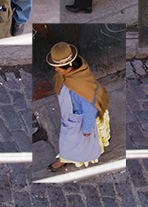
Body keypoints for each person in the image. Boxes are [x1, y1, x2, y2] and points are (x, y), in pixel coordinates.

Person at [46, 42, 110, 172]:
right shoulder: (79, 69)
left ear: (68, 67)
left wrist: (86, 129)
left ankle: (64, 158)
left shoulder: (78, 88)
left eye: (57, 67)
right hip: (73, 115)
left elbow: (89, 110)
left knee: (70, 144)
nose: (55, 70)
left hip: (79, 120)